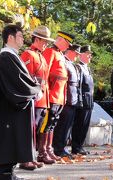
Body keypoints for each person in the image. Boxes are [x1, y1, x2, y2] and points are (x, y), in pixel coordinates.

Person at [0, 24, 41, 180]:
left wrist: (33, 87)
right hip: (8, 109)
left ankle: (10, 173)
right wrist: (36, 89)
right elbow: (18, 82)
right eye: (20, 36)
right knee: (8, 141)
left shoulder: (12, 55)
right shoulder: (6, 56)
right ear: (10, 37)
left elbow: (21, 79)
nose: (23, 39)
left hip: (11, 108)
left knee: (11, 141)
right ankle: (5, 175)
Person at [20, 26, 55, 170]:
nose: (46, 44)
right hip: (34, 98)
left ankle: (32, 157)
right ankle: (24, 159)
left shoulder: (40, 55)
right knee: (29, 129)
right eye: (44, 41)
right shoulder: (28, 54)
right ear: (37, 39)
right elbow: (26, 77)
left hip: (42, 99)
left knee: (37, 129)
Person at [43, 31, 75, 159]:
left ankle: (49, 149)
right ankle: (43, 151)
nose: (68, 47)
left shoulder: (60, 55)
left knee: (52, 124)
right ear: (61, 40)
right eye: (67, 43)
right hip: (51, 95)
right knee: (46, 125)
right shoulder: (50, 52)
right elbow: (45, 74)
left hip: (59, 96)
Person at [53, 44, 81, 158]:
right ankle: (58, 149)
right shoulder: (64, 62)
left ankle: (62, 147)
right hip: (66, 98)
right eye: (76, 53)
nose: (77, 56)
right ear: (70, 51)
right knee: (62, 126)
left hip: (73, 99)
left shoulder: (72, 64)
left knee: (68, 126)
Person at [71, 45, 94, 155]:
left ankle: (80, 146)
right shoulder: (78, 67)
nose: (90, 56)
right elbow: (79, 86)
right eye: (88, 54)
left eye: (90, 54)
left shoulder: (87, 68)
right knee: (79, 125)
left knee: (85, 125)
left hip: (89, 100)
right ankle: (76, 147)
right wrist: (79, 100)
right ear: (82, 54)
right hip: (82, 100)